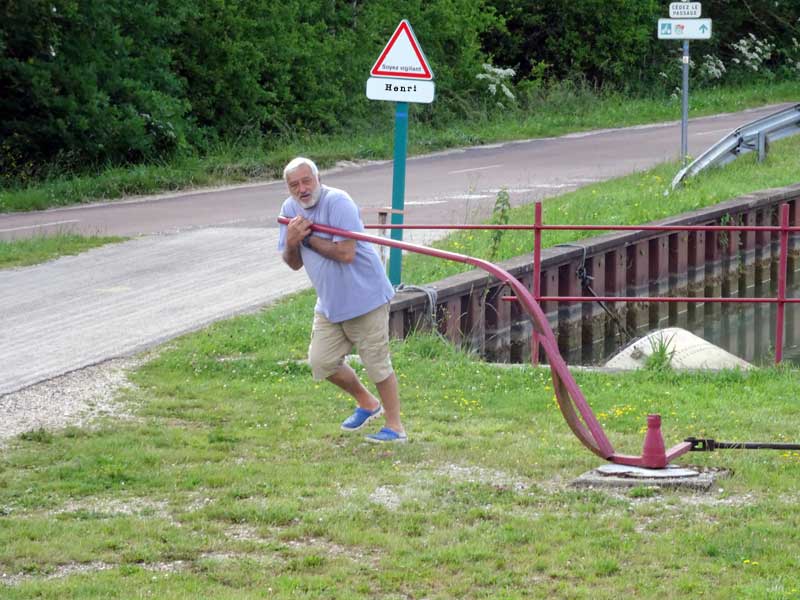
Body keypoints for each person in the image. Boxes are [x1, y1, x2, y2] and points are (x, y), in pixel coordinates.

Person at [277, 157, 406, 443]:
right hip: (330, 303)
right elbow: (293, 262)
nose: (301, 189)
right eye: (294, 185)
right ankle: (367, 403)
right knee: (321, 362)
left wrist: (307, 239)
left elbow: (346, 253)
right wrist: (291, 241)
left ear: (318, 178)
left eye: (306, 181)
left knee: (377, 364)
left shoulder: (338, 202)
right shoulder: (289, 210)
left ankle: (395, 428)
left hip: (366, 298)